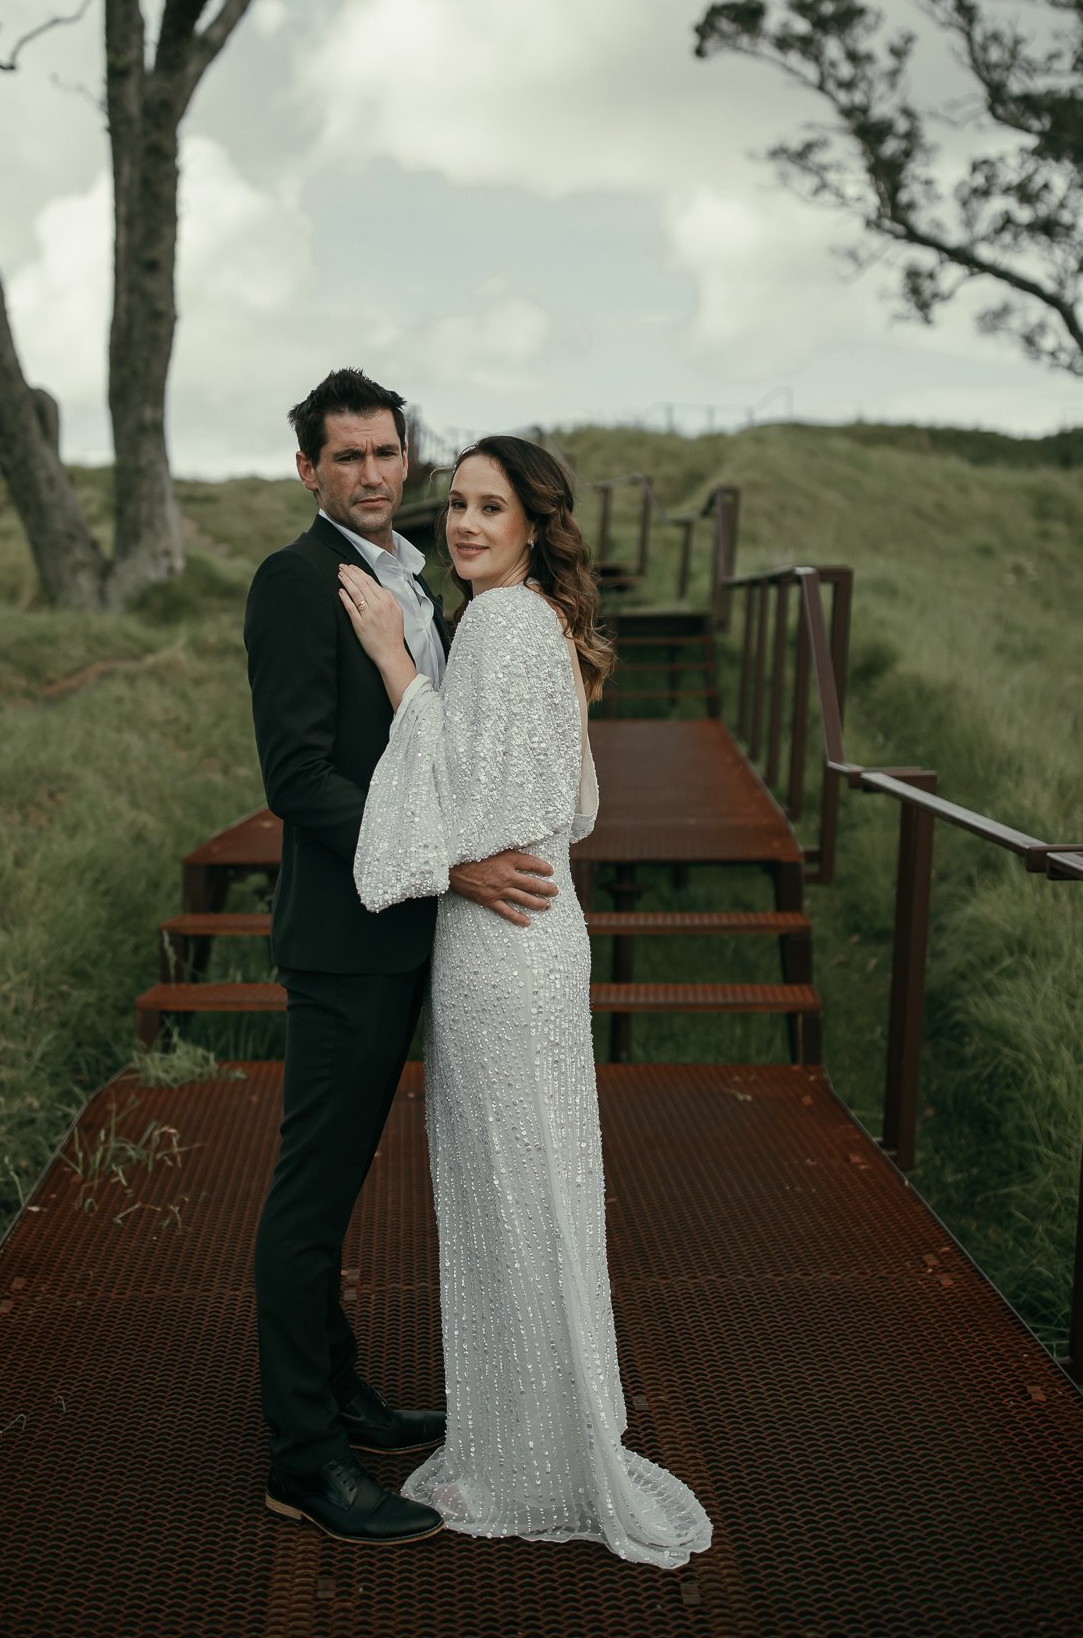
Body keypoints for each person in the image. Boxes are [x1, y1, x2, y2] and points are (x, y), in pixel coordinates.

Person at [340, 435, 715, 1568]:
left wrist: (395, 659)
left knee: (505, 1186)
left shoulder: (497, 624)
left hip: (495, 938)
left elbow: (464, 793)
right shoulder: (545, 622)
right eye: (451, 502)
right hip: (545, 933)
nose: (460, 523)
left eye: (487, 506)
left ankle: (521, 1455)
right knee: (543, 1180)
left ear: (533, 523)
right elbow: (577, 800)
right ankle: (554, 1423)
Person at [243, 370, 562, 1548]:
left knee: (344, 1184)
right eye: (347, 457)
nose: (372, 474)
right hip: (347, 942)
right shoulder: (293, 582)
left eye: (386, 454)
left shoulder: (421, 580)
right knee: (311, 1199)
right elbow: (299, 776)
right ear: (309, 470)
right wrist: (449, 865)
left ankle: (344, 1395)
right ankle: (304, 1456)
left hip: (419, 935)